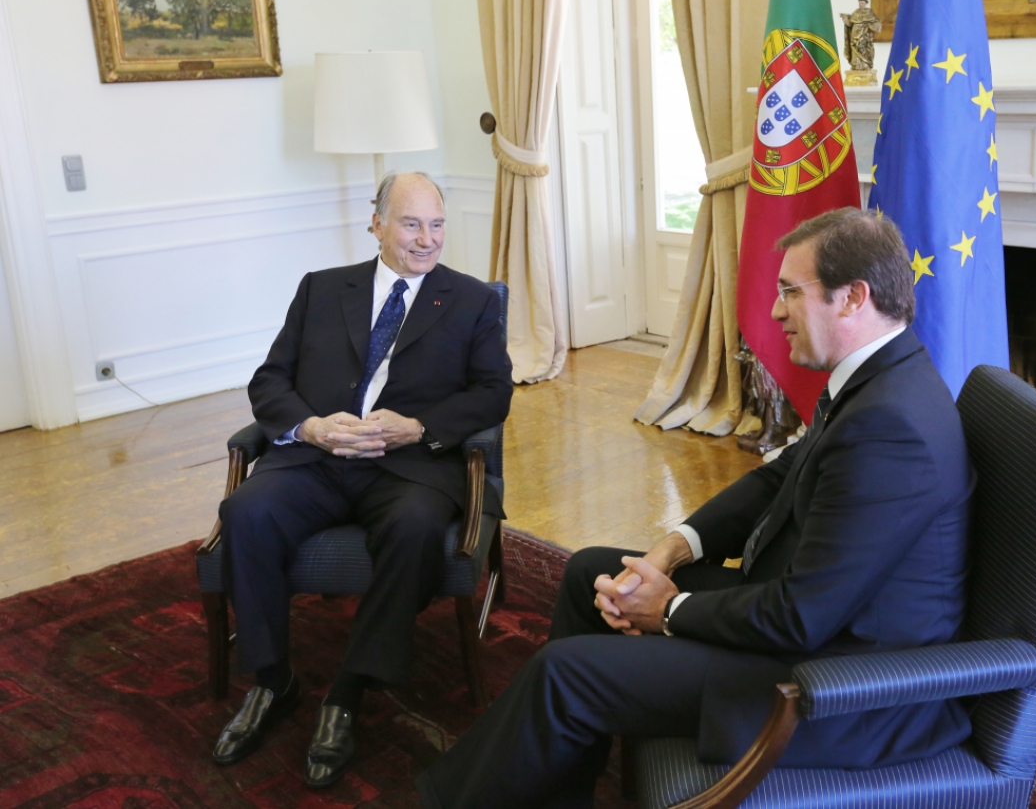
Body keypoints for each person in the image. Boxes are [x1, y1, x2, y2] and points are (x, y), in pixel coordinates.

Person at [418, 209, 974, 809]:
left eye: (790, 291)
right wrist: (669, 552)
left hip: (839, 685)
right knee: (592, 574)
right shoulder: (879, 381)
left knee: (564, 673)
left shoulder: (890, 428)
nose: (775, 311)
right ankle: (557, 788)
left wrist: (670, 609)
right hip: (813, 628)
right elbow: (778, 480)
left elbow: (800, 618)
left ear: (852, 298)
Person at [212, 172, 513, 788]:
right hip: (318, 457)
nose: (427, 239)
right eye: (411, 224)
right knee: (246, 512)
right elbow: (268, 381)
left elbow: (493, 393)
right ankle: (274, 681)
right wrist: (313, 427)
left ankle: (347, 692)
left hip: (410, 464)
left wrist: (419, 427)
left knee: (414, 527)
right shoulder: (322, 289)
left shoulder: (472, 300)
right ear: (375, 223)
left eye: (437, 224)